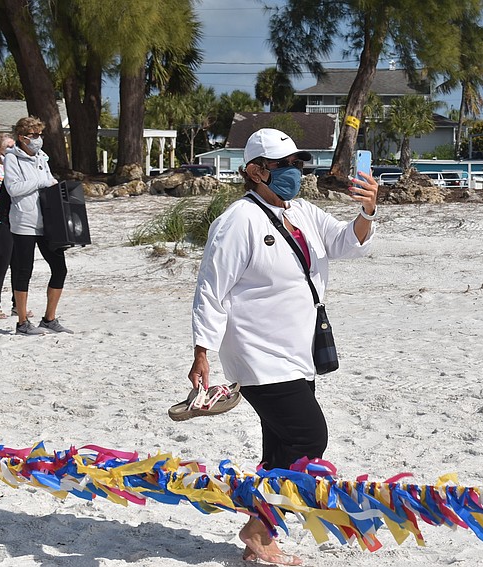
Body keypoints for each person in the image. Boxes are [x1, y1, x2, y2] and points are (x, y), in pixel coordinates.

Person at [188, 128, 378, 565]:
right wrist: (201, 351)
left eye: (298, 164)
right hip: (256, 353)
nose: (294, 172)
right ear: (255, 171)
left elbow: (347, 244)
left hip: (299, 350)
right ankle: (257, 529)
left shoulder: (304, 211)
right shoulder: (237, 221)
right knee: (309, 437)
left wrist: (368, 209)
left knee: (279, 448)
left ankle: (261, 542)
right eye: (283, 165)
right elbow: (211, 290)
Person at [3, 116, 72, 335]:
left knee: (60, 268)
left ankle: (49, 319)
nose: (38, 139)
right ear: (22, 137)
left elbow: (49, 181)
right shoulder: (12, 158)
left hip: (48, 223)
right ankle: (22, 322)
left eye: (39, 134)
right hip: (24, 222)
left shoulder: (43, 157)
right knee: (24, 271)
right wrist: (41, 182)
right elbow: (14, 188)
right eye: (33, 135)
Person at [0, 133, 16, 319]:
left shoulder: (16, 165)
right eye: (8, 146)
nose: (12, 148)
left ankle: (17, 303)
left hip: (17, 218)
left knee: (18, 262)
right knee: (1, 262)